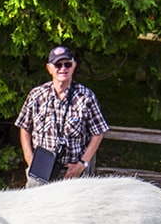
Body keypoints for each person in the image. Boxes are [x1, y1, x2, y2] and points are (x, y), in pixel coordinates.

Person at [15, 45, 109, 187]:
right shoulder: (36, 95)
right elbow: (24, 127)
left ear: (74, 66)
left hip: (71, 174)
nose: (63, 68)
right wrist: (29, 159)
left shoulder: (86, 97)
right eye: (58, 64)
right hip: (40, 171)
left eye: (67, 64)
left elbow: (98, 132)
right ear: (49, 68)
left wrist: (81, 164)